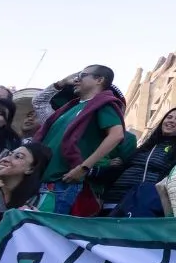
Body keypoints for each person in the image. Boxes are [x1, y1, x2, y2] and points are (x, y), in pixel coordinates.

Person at [33, 66, 125, 215]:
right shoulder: (71, 107)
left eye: (82, 75)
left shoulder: (103, 104)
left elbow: (116, 134)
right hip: (38, 179)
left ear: (99, 80)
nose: (76, 79)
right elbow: (39, 101)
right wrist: (62, 82)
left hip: (60, 184)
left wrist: (84, 168)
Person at [100, 108, 176, 216]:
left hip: (143, 203)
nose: (171, 120)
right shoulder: (148, 144)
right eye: (169, 117)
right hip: (114, 199)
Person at [0, 143, 52, 263]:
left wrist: (28, 222)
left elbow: (38, 245)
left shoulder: (42, 201)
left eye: (18, 156)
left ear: (31, 169)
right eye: (8, 153)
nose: (6, 159)